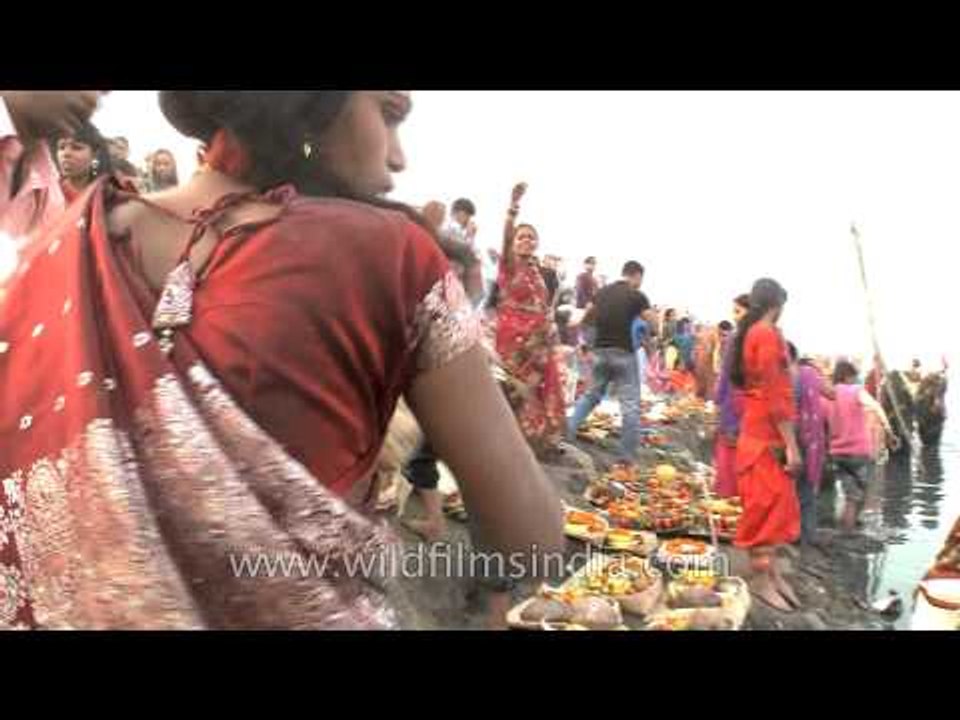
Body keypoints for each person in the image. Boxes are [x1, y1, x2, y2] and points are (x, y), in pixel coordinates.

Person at [0, 91, 564, 630]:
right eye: (389, 113)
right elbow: (533, 542)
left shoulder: (65, 240)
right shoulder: (391, 255)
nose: (397, 156)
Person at [729, 278, 802, 612]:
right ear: (779, 303)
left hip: (756, 428)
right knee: (767, 504)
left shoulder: (754, 332)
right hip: (766, 433)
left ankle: (770, 574)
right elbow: (775, 396)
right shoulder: (767, 334)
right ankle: (760, 580)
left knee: (772, 501)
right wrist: (792, 445)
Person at [495, 182, 567, 457]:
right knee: (513, 389)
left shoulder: (539, 272)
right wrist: (512, 209)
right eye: (521, 237)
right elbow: (505, 238)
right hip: (514, 342)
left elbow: (543, 307)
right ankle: (507, 443)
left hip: (539, 342)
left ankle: (536, 442)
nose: (526, 240)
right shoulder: (509, 265)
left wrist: (548, 329)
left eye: (531, 237)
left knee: (539, 388)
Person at [568, 261, 653, 461]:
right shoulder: (637, 296)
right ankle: (626, 457)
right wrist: (652, 333)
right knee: (630, 405)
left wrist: (582, 332)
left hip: (600, 352)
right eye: (641, 279)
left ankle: (568, 432)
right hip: (623, 353)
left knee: (591, 395)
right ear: (636, 275)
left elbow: (587, 314)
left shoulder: (602, 292)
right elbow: (653, 320)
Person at [828, 360, 897, 534]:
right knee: (858, 493)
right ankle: (849, 531)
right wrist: (889, 431)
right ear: (848, 376)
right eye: (853, 376)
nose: (855, 379)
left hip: (836, 452)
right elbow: (876, 407)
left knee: (849, 491)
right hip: (857, 453)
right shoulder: (855, 391)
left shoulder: (830, 392)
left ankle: (848, 526)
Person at [787, 342, 832, 546]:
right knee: (806, 491)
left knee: (792, 490)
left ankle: (794, 535)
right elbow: (832, 393)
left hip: (792, 438)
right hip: (811, 440)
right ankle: (807, 536)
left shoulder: (787, 375)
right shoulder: (810, 374)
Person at [712, 294, 751, 497]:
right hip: (747, 411)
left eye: (738, 311)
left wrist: (718, 403)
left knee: (730, 465)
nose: (735, 317)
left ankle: (730, 508)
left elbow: (725, 376)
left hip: (735, 410)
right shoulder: (758, 336)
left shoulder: (736, 340)